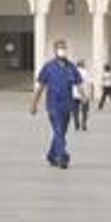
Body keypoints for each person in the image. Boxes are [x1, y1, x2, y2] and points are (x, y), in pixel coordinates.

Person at [28, 40, 82, 170]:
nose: (62, 50)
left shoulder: (71, 67)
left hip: (67, 105)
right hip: (53, 105)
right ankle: (62, 156)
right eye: (59, 48)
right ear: (55, 50)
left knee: (61, 132)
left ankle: (51, 155)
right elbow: (40, 87)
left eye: (64, 47)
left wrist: (84, 95)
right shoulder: (48, 67)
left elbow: (78, 83)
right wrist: (33, 104)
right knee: (58, 130)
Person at [75, 59, 93, 131]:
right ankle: (84, 123)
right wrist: (92, 93)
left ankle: (76, 123)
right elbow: (91, 83)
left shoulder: (73, 72)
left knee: (75, 110)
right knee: (84, 111)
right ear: (83, 65)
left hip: (75, 94)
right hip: (85, 94)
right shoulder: (87, 73)